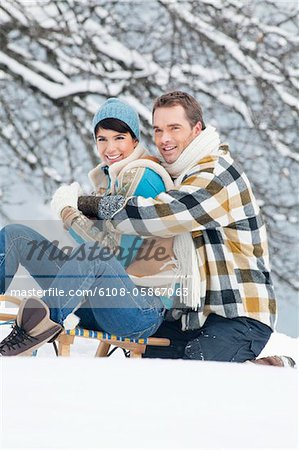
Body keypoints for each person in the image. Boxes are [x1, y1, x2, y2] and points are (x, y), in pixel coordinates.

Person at [72, 91, 281, 364]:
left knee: (195, 367)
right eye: (158, 130)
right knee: (146, 354)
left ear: (196, 129)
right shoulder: (177, 174)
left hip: (239, 315)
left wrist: (93, 206)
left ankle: (269, 372)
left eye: (174, 128)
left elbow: (166, 213)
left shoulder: (217, 173)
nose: (164, 139)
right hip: (192, 316)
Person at [0, 98, 176, 356]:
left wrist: (69, 214)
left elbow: (111, 252)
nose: (110, 147)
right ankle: (36, 322)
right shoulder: (108, 180)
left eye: (119, 138)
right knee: (16, 236)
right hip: (99, 303)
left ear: (135, 141)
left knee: (93, 254)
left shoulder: (144, 178)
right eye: (102, 139)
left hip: (139, 311)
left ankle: (34, 330)